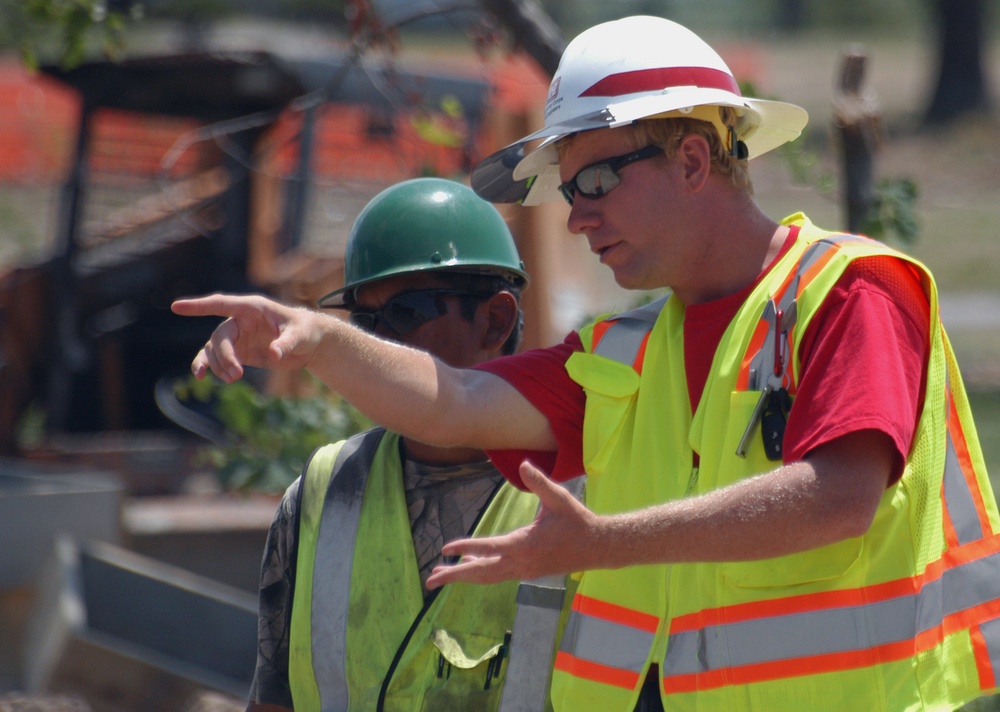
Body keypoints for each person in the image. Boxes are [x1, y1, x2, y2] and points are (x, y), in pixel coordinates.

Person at [174, 16, 1000, 712]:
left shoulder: (852, 292)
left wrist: (606, 542)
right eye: (571, 192)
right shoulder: (626, 348)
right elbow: (452, 404)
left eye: (598, 180)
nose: (578, 219)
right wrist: (316, 340)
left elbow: (839, 500)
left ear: (692, 159)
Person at [236, 178, 561, 712]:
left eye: (407, 313)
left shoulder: (574, 490)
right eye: (364, 322)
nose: (377, 343)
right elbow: (275, 697)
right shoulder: (322, 492)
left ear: (496, 320)